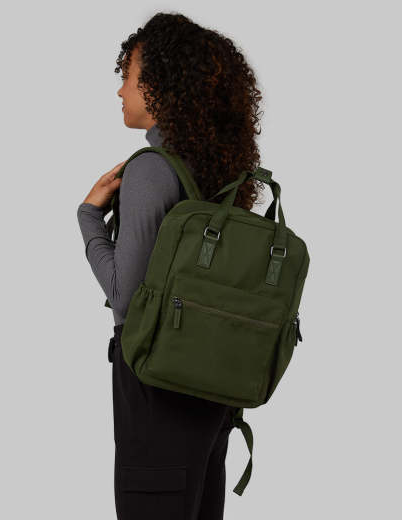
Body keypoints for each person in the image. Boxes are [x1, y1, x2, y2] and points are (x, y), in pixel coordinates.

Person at [77, 12, 265, 520]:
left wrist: (89, 218)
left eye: (128, 76)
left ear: (160, 86)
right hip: (211, 388)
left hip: (155, 386)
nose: (120, 90)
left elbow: (126, 297)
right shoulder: (215, 173)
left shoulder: (152, 171)